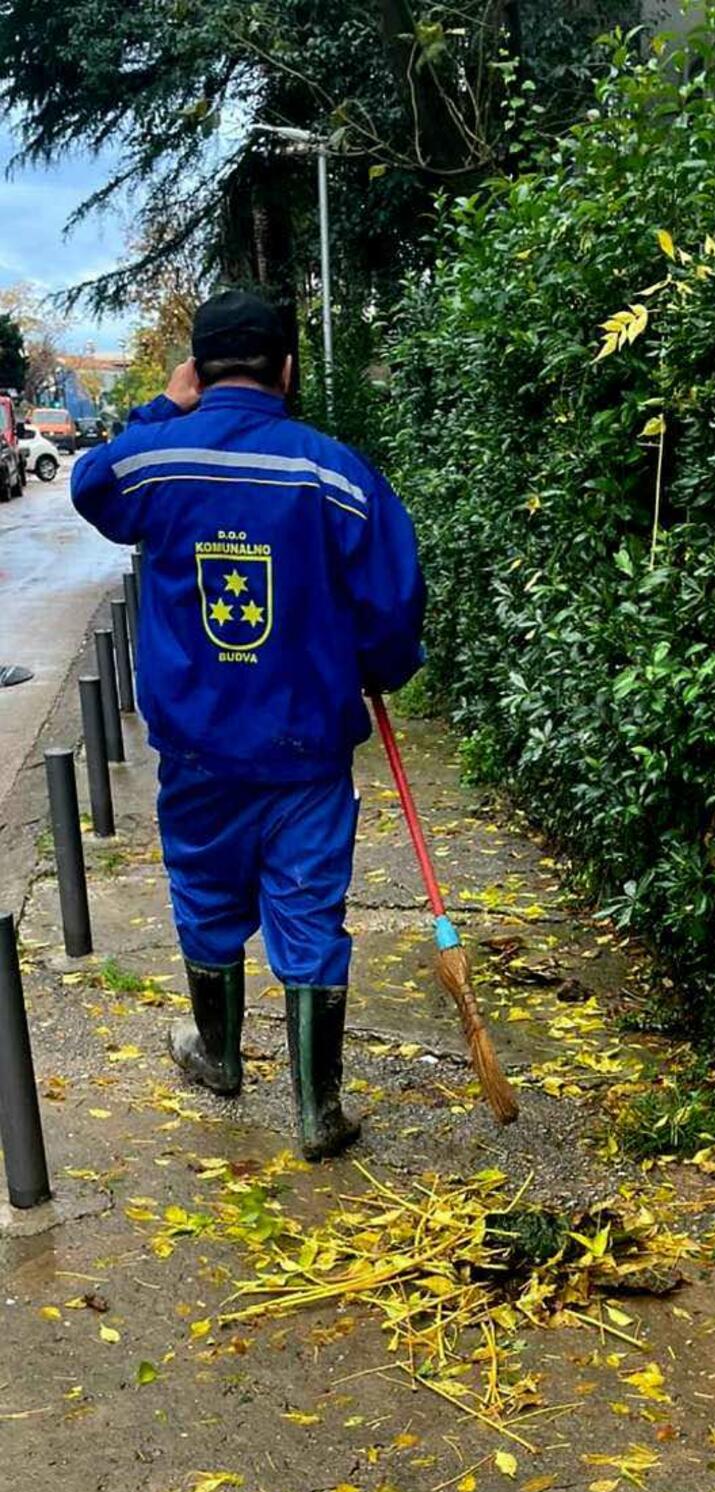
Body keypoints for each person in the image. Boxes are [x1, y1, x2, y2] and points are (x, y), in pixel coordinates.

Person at [71, 288, 425, 1157]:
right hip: (304, 748)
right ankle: (315, 1111)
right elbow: (393, 601)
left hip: (197, 747)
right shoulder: (336, 474)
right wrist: (378, 668)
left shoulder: (157, 461)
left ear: (201, 367)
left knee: (205, 892)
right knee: (308, 908)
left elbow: (90, 484)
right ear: (288, 369)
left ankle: (220, 1057)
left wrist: (164, 403)